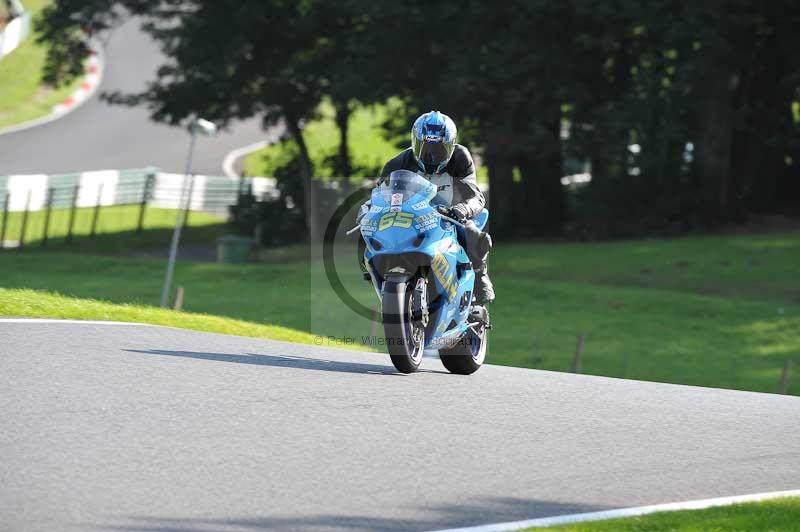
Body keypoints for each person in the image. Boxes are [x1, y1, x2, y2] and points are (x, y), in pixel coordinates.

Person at [361, 110, 495, 305]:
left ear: (451, 145)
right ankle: (376, 267)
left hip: (449, 216)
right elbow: (379, 196)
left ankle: (480, 275)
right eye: (425, 147)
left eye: (439, 148)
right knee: (370, 232)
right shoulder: (397, 163)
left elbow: (475, 195)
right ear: (414, 142)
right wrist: (367, 211)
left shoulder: (460, 157)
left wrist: (462, 210)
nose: (431, 155)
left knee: (472, 232)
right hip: (413, 217)